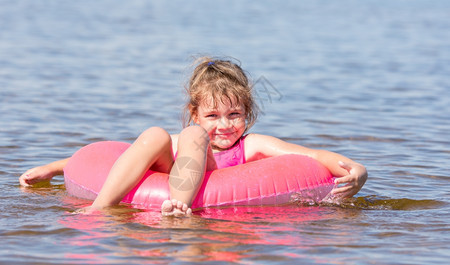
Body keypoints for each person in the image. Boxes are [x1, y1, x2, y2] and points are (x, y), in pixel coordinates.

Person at [19, 57, 368, 216]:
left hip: (188, 198)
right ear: (195, 111)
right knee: (168, 136)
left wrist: (356, 169)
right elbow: (120, 156)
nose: (225, 125)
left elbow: (311, 156)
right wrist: (55, 167)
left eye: (235, 115)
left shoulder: (253, 145)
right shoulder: (190, 133)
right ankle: (101, 208)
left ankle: (179, 206)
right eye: (213, 115)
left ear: (248, 114)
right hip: (173, 171)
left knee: (189, 138)